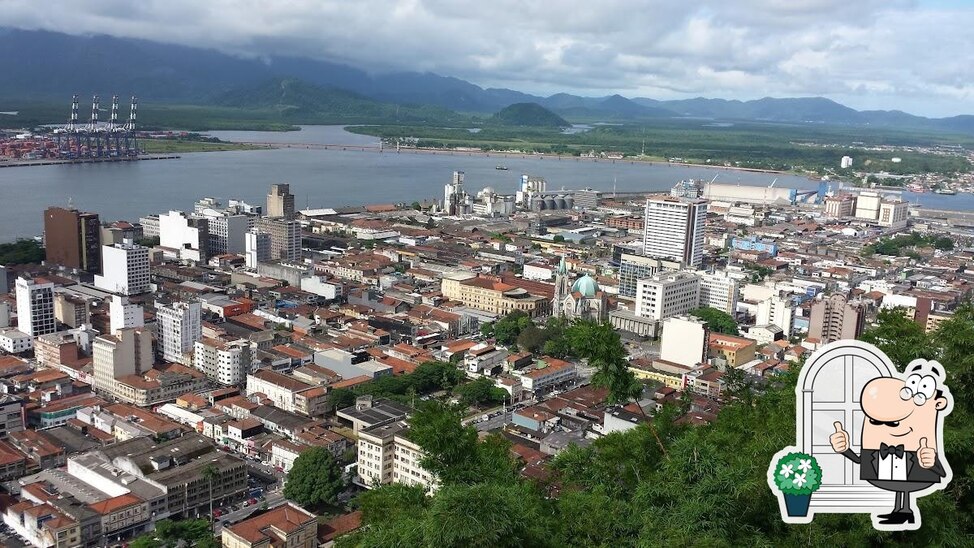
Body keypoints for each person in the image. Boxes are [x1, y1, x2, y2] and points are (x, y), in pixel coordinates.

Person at [830, 359, 951, 526]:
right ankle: (901, 511)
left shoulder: (923, 448)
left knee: (905, 487)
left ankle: (905, 511)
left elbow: (943, 473)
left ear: (938, 403)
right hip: (887, 475)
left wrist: (931, 463)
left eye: (893, 422)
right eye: (876, 422)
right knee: (901, 488)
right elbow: (860, 460)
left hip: (914, 475)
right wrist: (844, 449)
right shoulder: (876, 450)